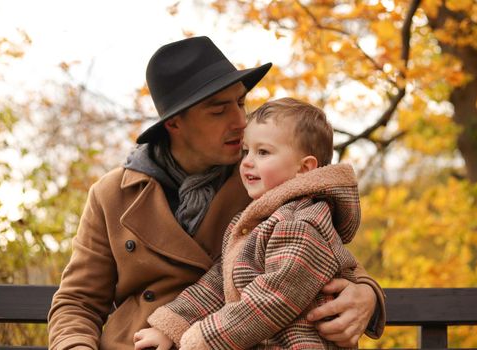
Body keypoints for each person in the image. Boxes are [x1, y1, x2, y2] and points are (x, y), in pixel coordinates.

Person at [48, 36, 385, 349]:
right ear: (175, 124)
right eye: (219, 110)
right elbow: (77, 301)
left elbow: (326, 254)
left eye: (241, 102)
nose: (240, 120)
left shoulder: (267, 179)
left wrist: (366, 296)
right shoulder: (113, 195)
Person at [133, 98, 369, 350]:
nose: (246, 162)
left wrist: (204, 338)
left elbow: (274, 299)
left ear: (304, 168)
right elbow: (218, 284)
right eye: (246, 151)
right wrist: (172, 327)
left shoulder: (302, 223)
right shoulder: (258, 221)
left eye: (263, 152)